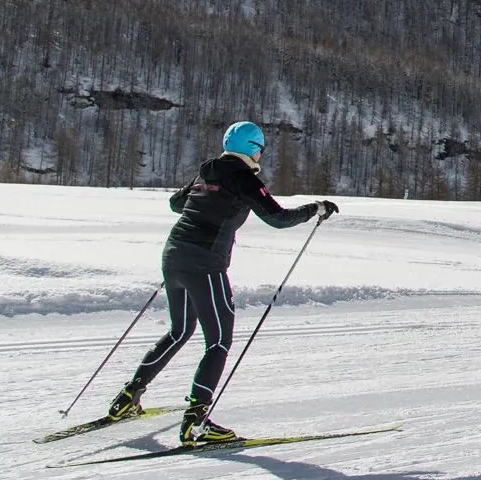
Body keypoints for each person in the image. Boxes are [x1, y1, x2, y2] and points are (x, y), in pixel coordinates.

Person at [105, 122, 338, 444]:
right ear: (255, 149)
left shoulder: (208, 171)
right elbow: (278, 218)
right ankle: (196, 421)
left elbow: (176, 203)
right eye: (261, 148)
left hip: (174, 256)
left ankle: (127, 398)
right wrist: (316, 208)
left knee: (179, 331)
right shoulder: (243, 178)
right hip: (205, 264)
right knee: (217, 341)